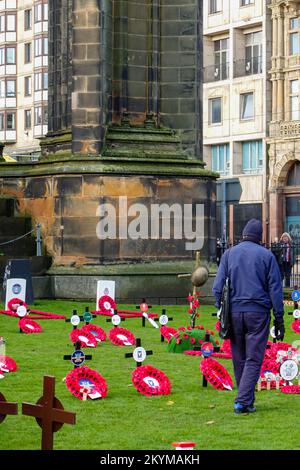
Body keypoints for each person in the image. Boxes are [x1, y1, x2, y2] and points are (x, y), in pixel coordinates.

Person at [212, 219, 284, 415]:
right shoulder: (266, 256)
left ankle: (247, 401)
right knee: (253, 358)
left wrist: (221, 310)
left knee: (239, 358)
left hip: (234, 312)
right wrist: (279, 318)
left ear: (243, 234)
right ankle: (242, 401)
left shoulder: (229, 254)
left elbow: (217, 288)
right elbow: (275, 290)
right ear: (259, 236)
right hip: (258, 313)